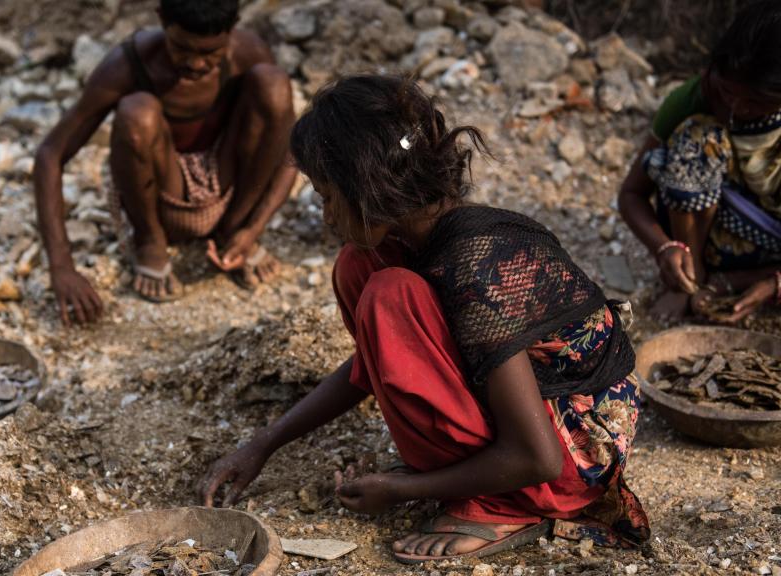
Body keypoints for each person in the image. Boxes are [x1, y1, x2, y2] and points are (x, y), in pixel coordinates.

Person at [197, 75, 649, 562]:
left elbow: (537, 456)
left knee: (390, 294)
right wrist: (264, 444)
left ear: (367, 189)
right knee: (361, 265)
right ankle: (473, 473)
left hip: (568, 459)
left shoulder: (475, 265)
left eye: (327, 195)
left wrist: (401, 489)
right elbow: (371, 369)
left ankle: (500, 506)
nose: (326, 215)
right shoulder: (417, 238)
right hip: (539, 425)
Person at [33, 0, 296, 325]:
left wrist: (254, 226)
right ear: (161, 20)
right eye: (182, 48)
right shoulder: (127, 65)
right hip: (160, 195)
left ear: (232, 30)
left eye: (211, 53)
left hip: (228, 187)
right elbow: (50, 154)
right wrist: (61, 267)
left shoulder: (247, 53)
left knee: (274, 84)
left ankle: (234, 232)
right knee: (137, 111)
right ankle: (150, 243)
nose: (197, 64)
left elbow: (290, 149)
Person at [618, 0, 781, 322]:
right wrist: (665, 249)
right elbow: (631, 195)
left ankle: (736, 283)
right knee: (698, 139)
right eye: (727, 91)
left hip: (772, 253)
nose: (735, 108)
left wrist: (772, 285)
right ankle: (691, 279)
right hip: (711, 244)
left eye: (754, 102)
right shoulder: (692, 99)